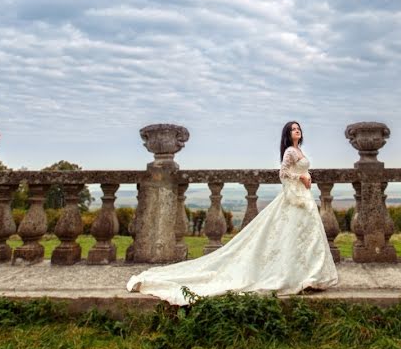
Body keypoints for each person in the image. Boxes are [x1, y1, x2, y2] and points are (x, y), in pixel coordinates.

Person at [126, 121, 339, 305]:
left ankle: (309, 275)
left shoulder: (299, 150)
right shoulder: (289, 152)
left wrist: (307, 176)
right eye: (293, 129)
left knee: (304, 237)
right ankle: (297, 276)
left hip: (303, 197)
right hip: (295, 198)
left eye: (298, 129)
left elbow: (300, 169)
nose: (297, 131)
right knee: (292, 236)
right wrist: (299, 178)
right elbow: (283, 172)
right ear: (287, 134)